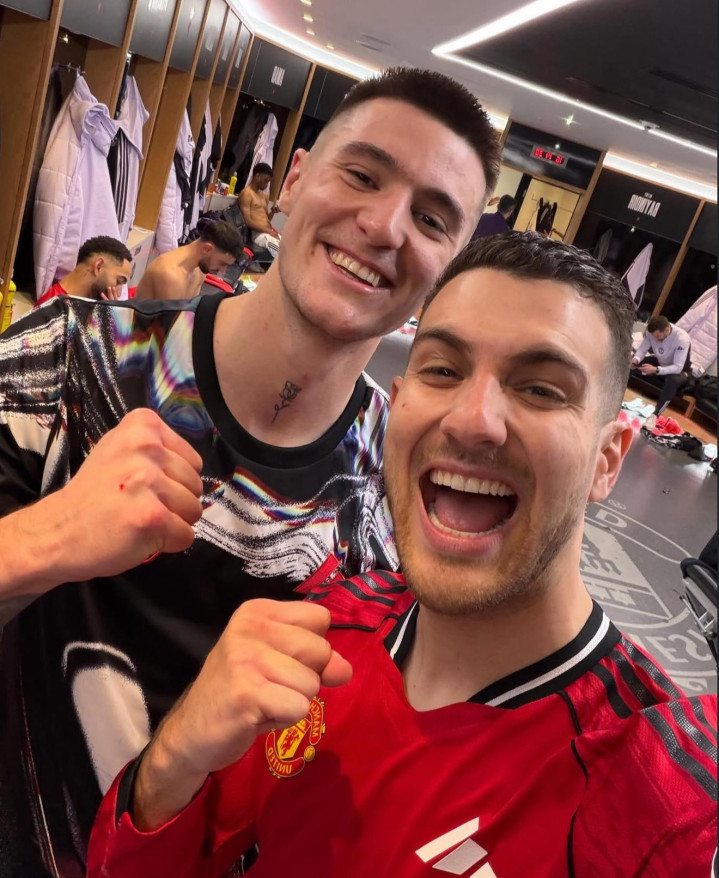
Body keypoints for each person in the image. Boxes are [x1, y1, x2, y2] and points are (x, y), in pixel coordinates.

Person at [88, 232, 718, 878]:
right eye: (442, 370)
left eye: (540, 389)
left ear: (607, 459)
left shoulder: (653, 790)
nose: (471, 420)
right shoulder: (324, 626)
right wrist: (172, 759)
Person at [0, 67, 499, 876]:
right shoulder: (68, 357)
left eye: (432, 219)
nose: (384, 226)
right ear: (294, 179)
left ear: (447, 266)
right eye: (361, 175)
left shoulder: (405, 505)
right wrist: (44, 540)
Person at [134, 219, 245, 300]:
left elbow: (189, 313)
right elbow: (169, 324)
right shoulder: (170, 275)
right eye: (222, 263)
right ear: (207, 249)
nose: (222, 271)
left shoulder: (200, 270)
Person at [630, 314, 692, 430]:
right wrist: (635, 360)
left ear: (667, 330)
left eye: (658, 336)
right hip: (661, 363)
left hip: (680, 371)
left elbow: (678, 367)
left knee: (672, 380)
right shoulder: (651, 333)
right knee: (631, 363)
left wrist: (656, 370)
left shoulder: (682, 338)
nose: (656, 339)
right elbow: (642, 350)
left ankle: (655, 415)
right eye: (654, 337)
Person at [35, 236, 133, 306]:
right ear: (98, 266)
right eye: (119, 281)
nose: (119, 294)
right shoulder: (53, 308)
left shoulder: (84, 305)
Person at [238, 161, 281, 258]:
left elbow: (266, 219)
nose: (266, 185)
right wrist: (269, 231)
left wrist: (273, 212)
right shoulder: (246, 194)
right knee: (283, 254)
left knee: (290, 248)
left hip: (269, 232)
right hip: (258, 235)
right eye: (265, 180)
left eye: (268, 182)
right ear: (257, 176)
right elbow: (248, 221)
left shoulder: (264, 195)